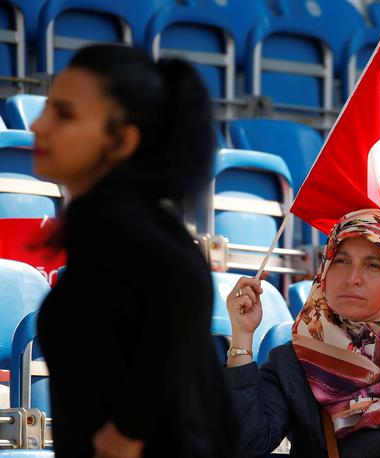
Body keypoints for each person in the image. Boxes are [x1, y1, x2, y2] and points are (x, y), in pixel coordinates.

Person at [32, 45, 235, 457]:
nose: (38, 126)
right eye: (47, 108)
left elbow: (185, 285)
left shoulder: (119, 222)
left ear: (122, 140)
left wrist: (126, 432)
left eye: (64, 114)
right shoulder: (121, 220)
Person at [225, 209, 380, 457]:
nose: (353, 278)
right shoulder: (294, 360)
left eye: (374, 265)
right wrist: (242, 336)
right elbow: (247, 443)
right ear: (325, 269)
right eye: (341, 261)